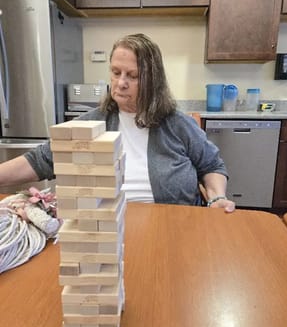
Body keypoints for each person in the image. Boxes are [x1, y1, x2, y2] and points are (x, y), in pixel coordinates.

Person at [0, 33, 235, 212]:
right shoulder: (89, 125)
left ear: (153, 80)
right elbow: (39, 160)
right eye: (115, 72)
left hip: (174, 224)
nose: (121, 83)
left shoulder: (178, 124)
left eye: (132, 76)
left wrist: (216, 197)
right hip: (108, 229)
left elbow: (212, 165)